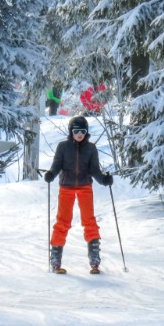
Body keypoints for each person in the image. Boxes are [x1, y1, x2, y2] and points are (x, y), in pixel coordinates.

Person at [44, 116, 113, 274]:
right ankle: (55, 258)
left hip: (85, 187)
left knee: (89, 221)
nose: (79, 134)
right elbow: (56, 166)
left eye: (83, 131)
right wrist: (51, 174)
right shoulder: (63, 147)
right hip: (66, 188)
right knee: (63, 221)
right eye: (76, 131)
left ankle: (94, 258)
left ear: (86, 132)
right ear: (71, 132)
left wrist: (104, 180)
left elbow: (95, 170)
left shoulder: (91, 148)